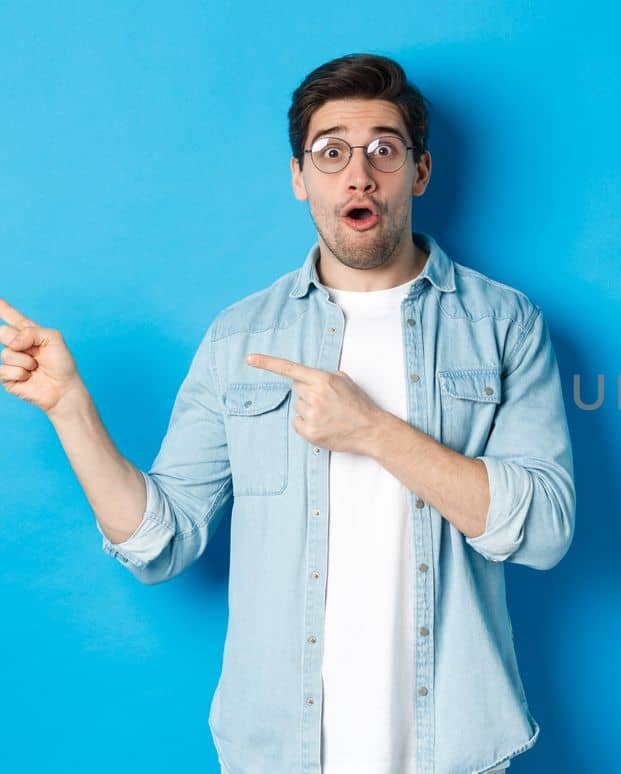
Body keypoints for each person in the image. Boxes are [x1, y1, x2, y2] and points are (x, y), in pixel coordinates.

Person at [0, 53, 575, 774]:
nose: (358, 174)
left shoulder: (504, 324)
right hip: (280, 754)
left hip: (453, 749)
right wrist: (69, 408)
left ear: (419, 172)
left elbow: (546, 529)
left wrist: (373, 431)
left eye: (383, 150)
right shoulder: (240, 338)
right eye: (331, 152)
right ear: (300, 177)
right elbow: (160, 541)